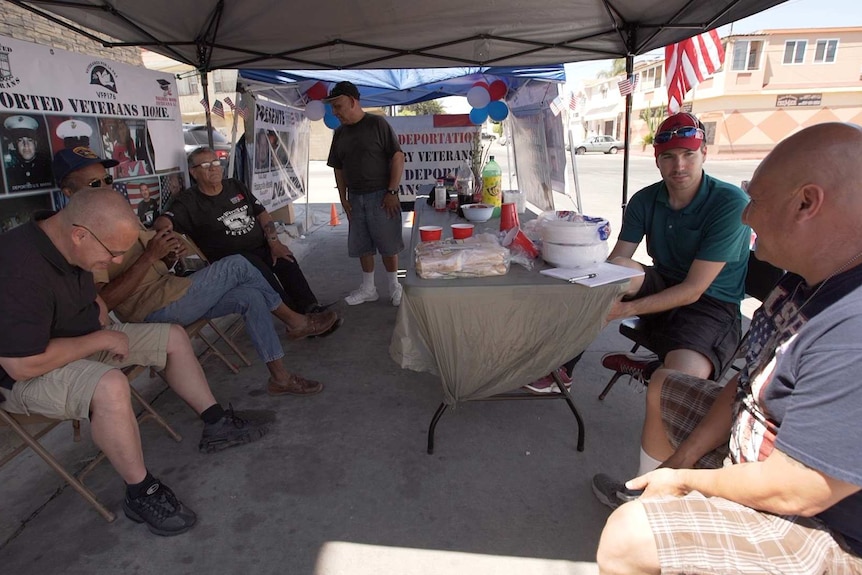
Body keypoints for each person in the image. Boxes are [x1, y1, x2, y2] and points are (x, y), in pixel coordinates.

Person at [595, 122, 862, 575]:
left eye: (755, 200)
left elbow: (802, 488)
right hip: (756, 453)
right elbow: (749, 378)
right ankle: (650, 493)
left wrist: (687, 480)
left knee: (627, 538)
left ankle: (657, 516)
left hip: (823, 528)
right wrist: (679, 464)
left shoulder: (850, 326)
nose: (746, 217)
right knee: (664, 385)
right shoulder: (802, 279)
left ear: (806, 203)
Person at [0, 187, 268, 537]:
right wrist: (99, 339)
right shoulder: (17, 267)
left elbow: (89, 293)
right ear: (80, 234)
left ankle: (216, 423)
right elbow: (21, 366)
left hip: (78, 342)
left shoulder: (64, 237)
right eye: (112, 254)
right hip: (23, 376)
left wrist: (98, 316)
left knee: (172, 336)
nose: (113, 263)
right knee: (111, 386)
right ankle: (141, 491)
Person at [52, 146, 336, 396]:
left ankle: (280, 378)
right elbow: (104, 303)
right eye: (94, 183)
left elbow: (156, 262)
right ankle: (295, 322)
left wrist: (168, 255)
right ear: (69, 193)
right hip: (152, 311)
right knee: (239, 263)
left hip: (173, 291)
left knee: (251, 295)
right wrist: (149, 257)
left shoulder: (114, 213)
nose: (105, 186)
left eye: (108, 180)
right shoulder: (78, 236)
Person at [599, 112, 750, 384]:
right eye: (668, 156)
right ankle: (561, 372)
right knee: (615, 273)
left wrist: (622, 310)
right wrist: (595, 299)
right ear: (657, 160)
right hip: (663, 285)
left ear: (704, 153)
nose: (679, 166)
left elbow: (693, 290)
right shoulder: (644, 199)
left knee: (679, 382)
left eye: (688, 154)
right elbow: (616, 261)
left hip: (712, 304)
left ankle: (651, 370)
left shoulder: (730, 203)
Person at [155, 148, 335, 326]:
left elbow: (262, 213)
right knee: (260, 272)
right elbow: (164, 221)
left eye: (216, 162)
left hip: (261, 247)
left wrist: (274, 243)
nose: (214, 168)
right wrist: (168, 232)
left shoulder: (235, 186)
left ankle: (311, 308)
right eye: (206, 165)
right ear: (194, 172)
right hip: (232, 260)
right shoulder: (189, 201)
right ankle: (298, 320)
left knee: (285, 259)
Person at [325, 81, 406, 306]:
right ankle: (369, 288)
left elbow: (398, 157)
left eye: (338, 106)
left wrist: (392, 191)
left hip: (382, 196)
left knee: (388, 244)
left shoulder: (377, 124)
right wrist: (343, 198)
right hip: (356, 197)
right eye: (332, 107)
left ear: (352, 101)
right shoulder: (339, 133)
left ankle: (394, 286)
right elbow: (338, 168)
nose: (335, 112)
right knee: (362, 245)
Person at [3, 114, 54, 192]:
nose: (26, 145)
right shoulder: (9, 173)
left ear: (36, 144)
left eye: (29, 140)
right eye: (20, 140)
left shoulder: (49, 168)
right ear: (14, 145)